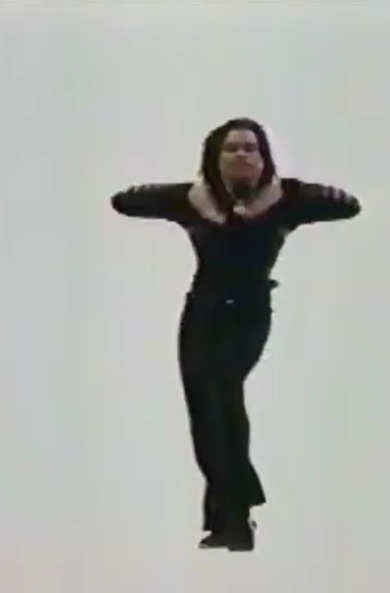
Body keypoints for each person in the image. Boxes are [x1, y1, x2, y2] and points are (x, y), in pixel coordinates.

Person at [110, 117, 361, 551]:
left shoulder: (286, 200)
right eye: (232, 148)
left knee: (223, 393)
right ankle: (228, 519)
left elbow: (348, 205)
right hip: (201, 314)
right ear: (215, 158)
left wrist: (290, 194)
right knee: (204, 412)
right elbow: (124, 201)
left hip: (248, 314)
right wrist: (193, 197)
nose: (242, 154)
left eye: (251, 148)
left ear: (264, 159)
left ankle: (237, 513)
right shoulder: (193, 201)